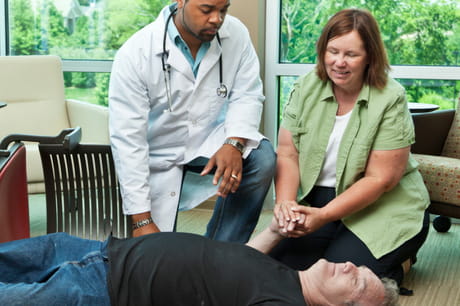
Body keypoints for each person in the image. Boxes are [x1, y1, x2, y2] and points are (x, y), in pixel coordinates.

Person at [271, 8, 430, 286]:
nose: (339, 63)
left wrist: (324, 217)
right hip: (318, 200)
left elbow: (381, 180)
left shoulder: (391, 97)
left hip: (383, 206)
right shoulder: (306, 86)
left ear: (369, 56)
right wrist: (286, 202)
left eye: (351, 55)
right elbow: (287, 152)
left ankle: (401, 263)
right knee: (279, 271)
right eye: (333, 52)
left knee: (337, 280)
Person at [108, 0, 275, 241]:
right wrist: (141, 220)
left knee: (262, 156)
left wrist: (234, 143)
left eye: (224, 9)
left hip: (208, 142)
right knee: (157, 257)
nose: (217, 19)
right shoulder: (136, 53)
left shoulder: (235, 34)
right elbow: (128, 140)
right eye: (207, 10)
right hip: (158, 155)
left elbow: (247, 94)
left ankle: (221, 253)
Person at [0, 215, 399, 305]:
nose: (350, 265)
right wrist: (275, 232)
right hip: (107, 250)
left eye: (358, 281)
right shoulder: (289, 276)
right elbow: (238, 261)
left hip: (100, 290)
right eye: (361, 267)